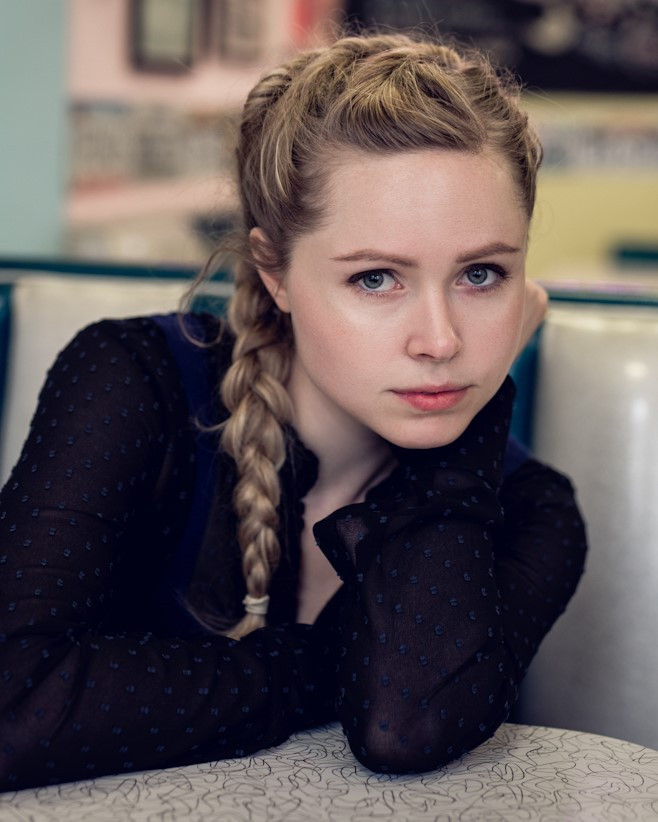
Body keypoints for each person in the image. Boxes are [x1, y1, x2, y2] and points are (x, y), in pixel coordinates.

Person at [0, 32, 587, 791]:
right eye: (376, 278)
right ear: (274, 271)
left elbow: (404, 724)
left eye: (482, 274)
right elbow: (14, 705)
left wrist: (460, 439)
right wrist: (327, 664)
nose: (441, 341)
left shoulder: (535, 512)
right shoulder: (133, 380)